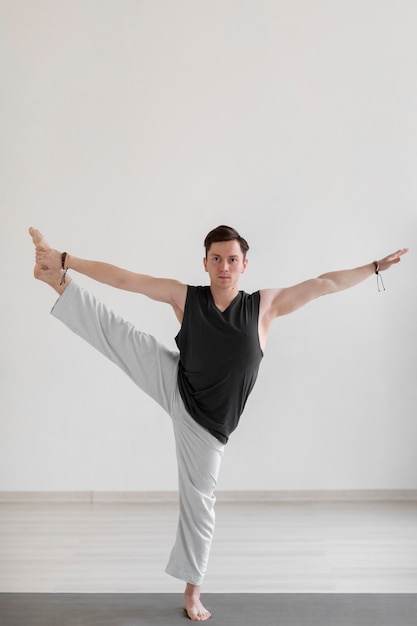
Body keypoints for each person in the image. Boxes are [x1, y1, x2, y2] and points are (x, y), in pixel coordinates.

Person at [29, 225, 407, 621]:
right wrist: (67, 260)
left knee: (199, 504)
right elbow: (127, 280)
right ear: (205, 263)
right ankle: (58, 280)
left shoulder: (265, 306)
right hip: (177, 383)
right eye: (216, 259)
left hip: (206, 425)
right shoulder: (186, 297)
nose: (224, 267)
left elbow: (325, 282)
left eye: (232, 260)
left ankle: (192, 592)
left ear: (244, 265)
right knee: (123, 336)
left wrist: (375, 267)